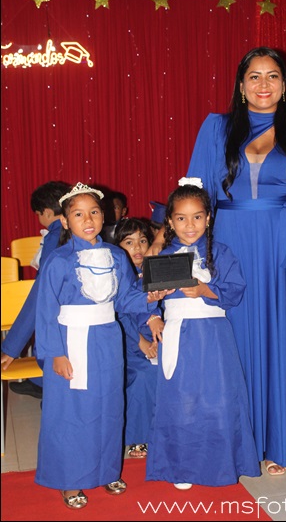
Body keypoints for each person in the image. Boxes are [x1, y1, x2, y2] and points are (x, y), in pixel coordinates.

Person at [149, 47, 286, 475]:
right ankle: (235, 441)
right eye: (254, 76)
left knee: (280, 342)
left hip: (282, 251)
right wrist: (161, 240)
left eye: (272, 76)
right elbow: (193, 193)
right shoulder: (216, 127)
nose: (264, 84)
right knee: (232, 344)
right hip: (226, 248)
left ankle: (276, 442)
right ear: (241, 85)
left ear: (284, 86)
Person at [34, 182, 164, 509]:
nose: (88, 219)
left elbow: (126, 299)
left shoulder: (117, 256)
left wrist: (150, 296)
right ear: (65, 221)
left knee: (109, 407)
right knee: (72, 412)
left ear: (103, 216)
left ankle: (107, 470)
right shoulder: (58, 261)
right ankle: (68, 479)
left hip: (107, 340)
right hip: (70, 342)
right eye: (78, 214)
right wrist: (56, 353)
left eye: (94, 212)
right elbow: (46, 311)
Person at [146, 180, 260, 489]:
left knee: (218, 399)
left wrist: (204, 289)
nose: (190, 225)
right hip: (178, 336)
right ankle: (182, 466)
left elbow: (235, 290)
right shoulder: (161, 256)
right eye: (181, 218)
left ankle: (222, 462)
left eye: (197, 217)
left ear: (208, 218)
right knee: (181, 399)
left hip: (214, 336)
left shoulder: (220, 252)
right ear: (170, 222)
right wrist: (153, 310)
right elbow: (144, 297)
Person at [1, 180, 70, 398]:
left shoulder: (56, 236)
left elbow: (42, 292)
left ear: (47, 212)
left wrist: (11, 347)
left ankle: (43, 390)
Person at [114, 217, 158, 459]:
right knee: (143, 374)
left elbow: (161, 309)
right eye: (129, 242)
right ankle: (139, 437)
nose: (138, 248)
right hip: (127, 342)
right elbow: (119, 315)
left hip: (154, 339)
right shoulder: (117, 275)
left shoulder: (154, 271)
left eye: (142, 241)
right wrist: (141, 342)